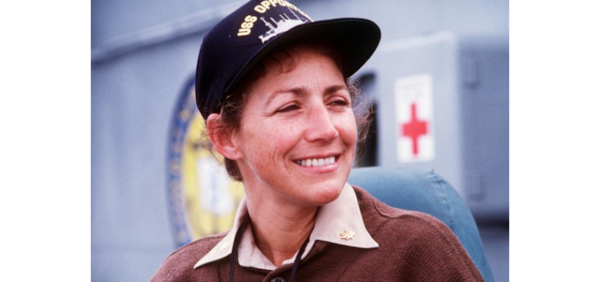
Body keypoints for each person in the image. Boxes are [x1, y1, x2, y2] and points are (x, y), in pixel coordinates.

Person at [151, 0, 484, 281]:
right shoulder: (185, 275)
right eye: (290, 107)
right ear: (225, 137)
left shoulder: (418, 253)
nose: (326, 130)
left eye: (336, 101)